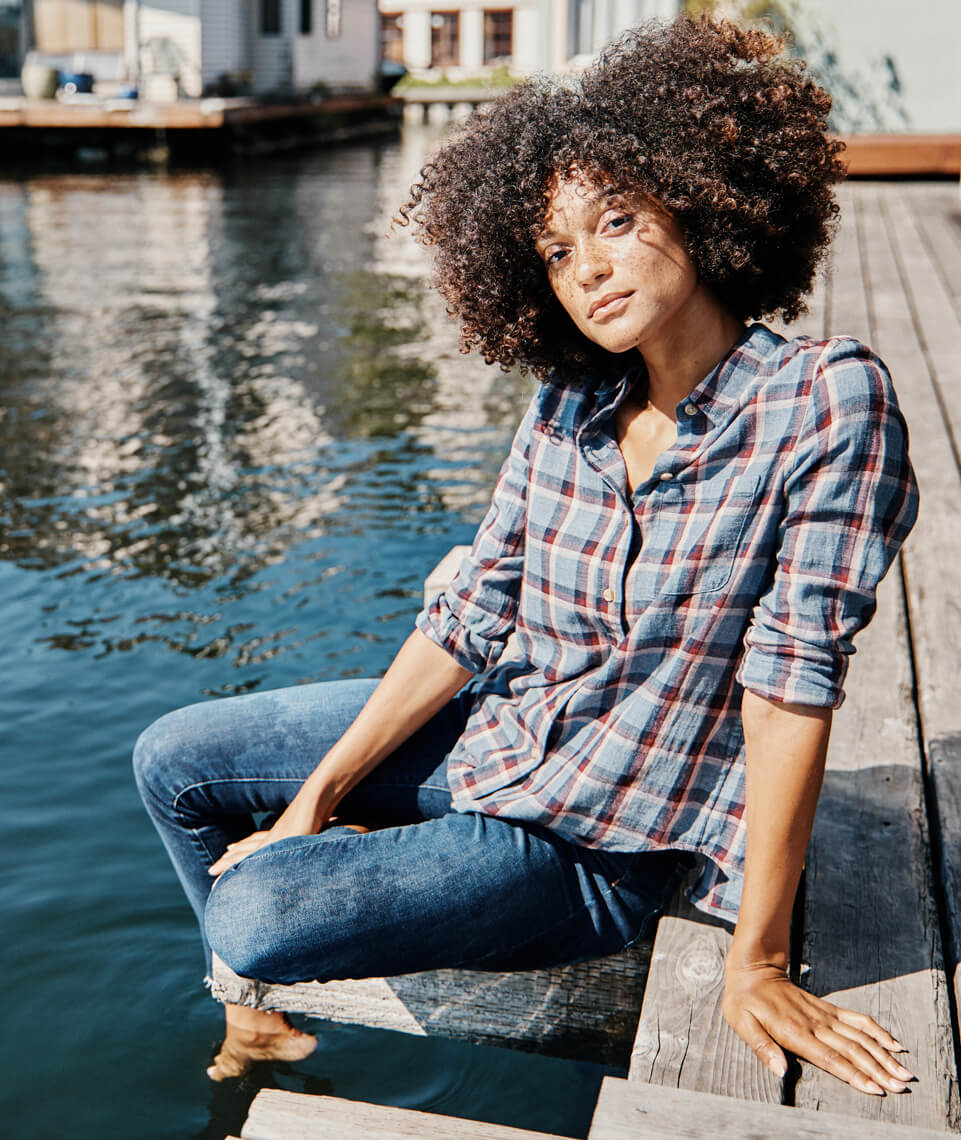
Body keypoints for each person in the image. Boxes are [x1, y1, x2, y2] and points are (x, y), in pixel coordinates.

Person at [135, 16, 919, 1091]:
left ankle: (258, 965)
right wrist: (319, 798)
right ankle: (263, 1015)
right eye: (555, 250)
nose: (587, 268)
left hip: (602, 846)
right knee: (173, 759)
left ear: (692, 199)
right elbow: (472, 614)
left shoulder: (825, 399)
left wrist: (761, 959)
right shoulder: (572, 401)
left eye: (614, 219)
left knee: (258, 911)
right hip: (503, 740)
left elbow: (792, 684)